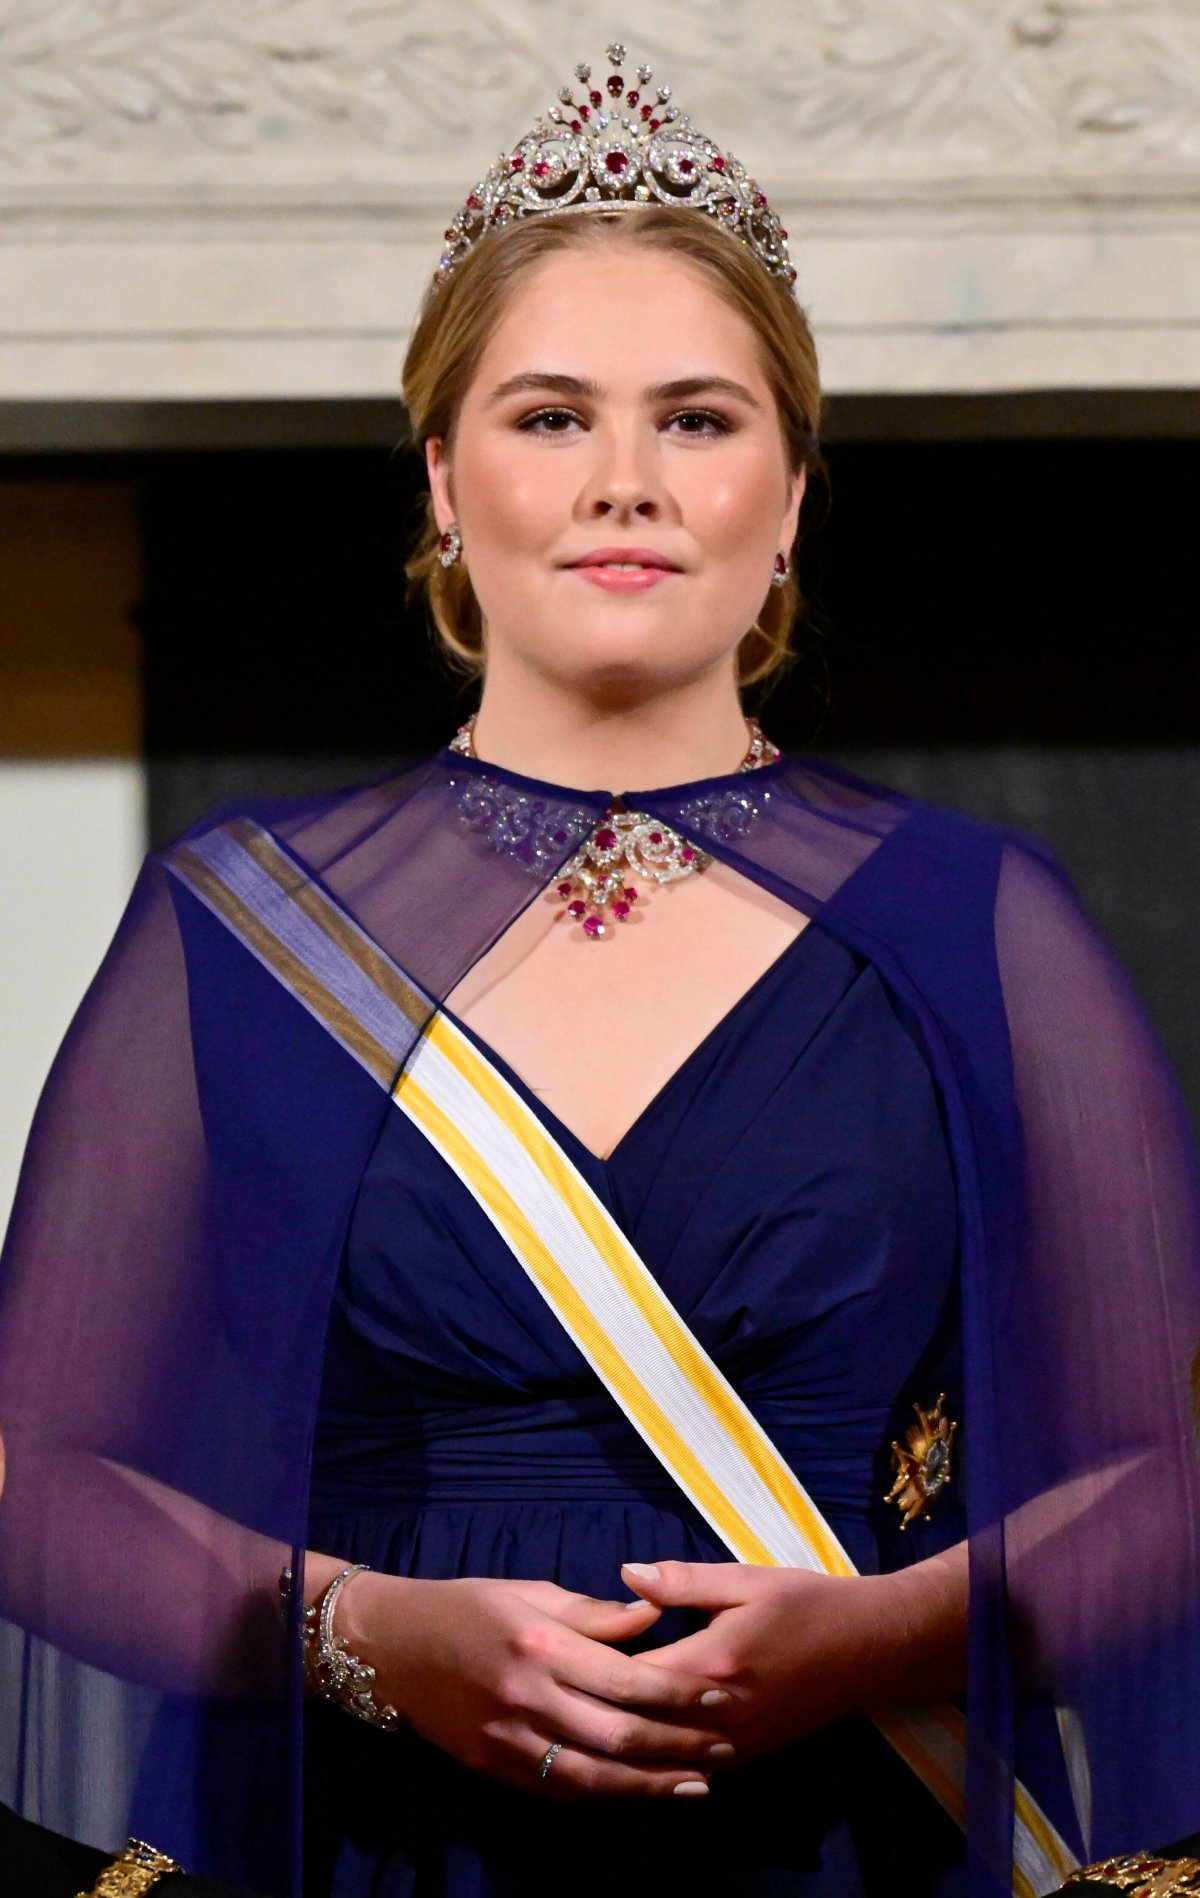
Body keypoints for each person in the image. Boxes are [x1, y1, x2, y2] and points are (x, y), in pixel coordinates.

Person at [0, 42, 1197, 1898]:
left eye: (700, 420)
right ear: (443, 475)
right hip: (370, 1841)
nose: (624, 480)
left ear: (790, 493)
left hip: (849, 1838)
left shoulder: (983, 923)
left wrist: (881, 1639)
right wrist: (363, 1633)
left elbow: (1165, 1480)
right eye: (551, 415)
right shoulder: (232, 924)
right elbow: (45, 1477)